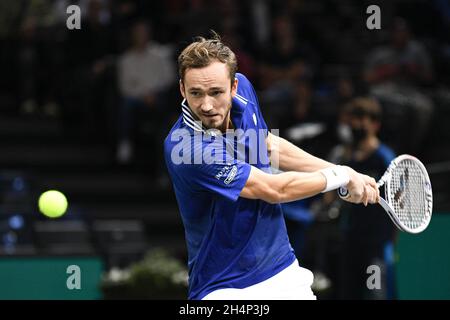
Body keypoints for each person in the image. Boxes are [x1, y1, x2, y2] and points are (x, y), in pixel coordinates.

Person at [164, 34, 379, 300]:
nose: (206, 105)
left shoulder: (244, 89)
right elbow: (272, 189)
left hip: (281, 269)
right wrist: (341, 175)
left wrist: (345, 174)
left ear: (233, 87)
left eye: (216, 92)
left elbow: (267, 146)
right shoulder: (186, 148)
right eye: (195, 93)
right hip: (225, 288)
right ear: (182, 90)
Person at [328, 97, 397, 299]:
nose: (356, 125)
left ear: (375, 124)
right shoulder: (346, 159)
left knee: (374, 294)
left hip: (375, 246)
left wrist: (391, 241)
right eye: (353, 120)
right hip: (350, 241)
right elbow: (333, 197)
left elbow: (398, 201)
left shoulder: (384, 158)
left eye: (361, 119)